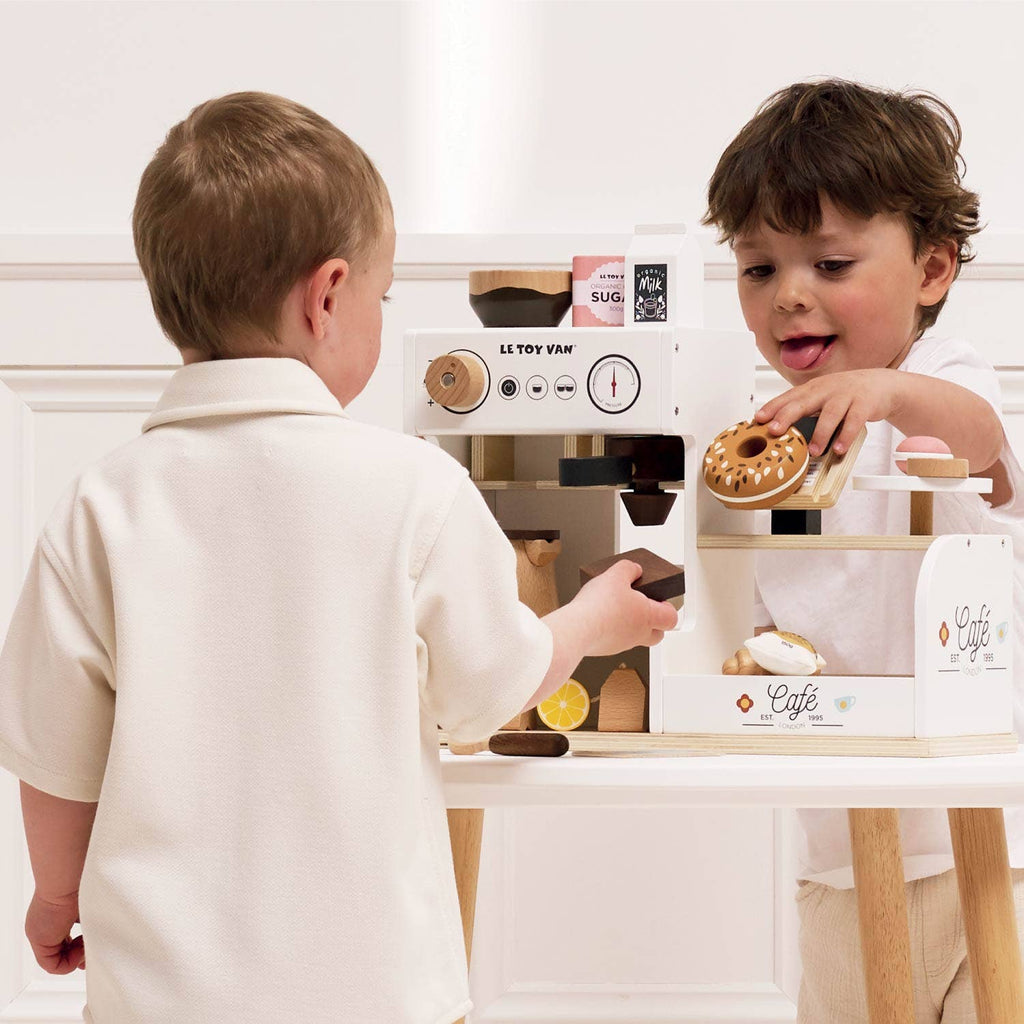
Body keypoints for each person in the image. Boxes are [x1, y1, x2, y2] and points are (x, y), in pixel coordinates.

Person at [0, 91, 677, 1024]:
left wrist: (55, 893)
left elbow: (56, 755)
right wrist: (589, 620)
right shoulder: (415, 489)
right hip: (376, 990)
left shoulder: (100, 505)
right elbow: (485, 690)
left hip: (161, 995)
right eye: (382, 295)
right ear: (327, 297)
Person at [703, 79, 1024, 1023]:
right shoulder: (762, 439)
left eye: (832, 263)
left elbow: (981, 441)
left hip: (990, 832)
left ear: (932, 269)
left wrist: (888, 394)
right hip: (842, 847)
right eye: (758, 269)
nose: (789, 296)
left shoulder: (937, 379)